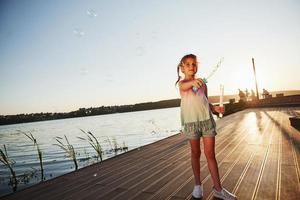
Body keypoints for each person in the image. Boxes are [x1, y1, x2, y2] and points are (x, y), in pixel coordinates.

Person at [175, 54, 238, 200]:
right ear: (182, 68)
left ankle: (218, 189)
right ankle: (198, 185)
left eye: (194, 64)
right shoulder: (182, 84)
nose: (192, 67)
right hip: (191, 124)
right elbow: (185, 86)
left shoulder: (203, 84)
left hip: (206, 121)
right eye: (188, 64)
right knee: (195, 153)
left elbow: (205, 102)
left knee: (210, 154)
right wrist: (193, 83)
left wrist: (215, 109)